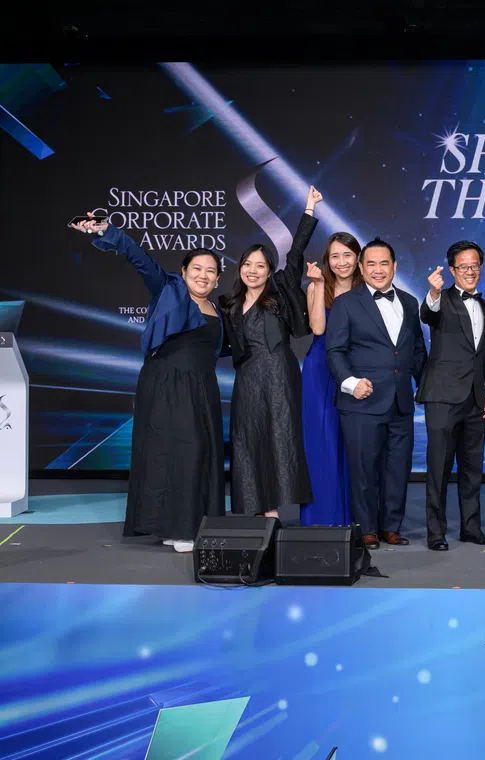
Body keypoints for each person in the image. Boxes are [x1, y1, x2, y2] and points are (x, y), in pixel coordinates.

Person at [72, 212, 224, 553]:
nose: (203, 275)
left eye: (210, 270)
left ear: (217, 279)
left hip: (202, 388)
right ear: (183, 272)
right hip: (167, 383)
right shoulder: (168, 290)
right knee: (174, 452)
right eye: (196, 268)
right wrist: (108, 231)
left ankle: (181, 525)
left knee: (197, 453)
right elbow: (140, 259)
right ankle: (181, 529)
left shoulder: (218, 309)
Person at [220, 186, 320, 518]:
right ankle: (253, 508)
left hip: (280, 374)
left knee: (280, 438)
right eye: (247, 264)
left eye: (260, 266)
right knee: (248, 440)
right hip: (247, 378)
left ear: (268, 270)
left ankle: (274, 512)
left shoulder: (279, 292)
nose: (253, 270)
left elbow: (296, 253)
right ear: (240, 268)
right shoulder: (229, 304)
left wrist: (309, 210)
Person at [325, 238, 426, 550]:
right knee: (364, 469)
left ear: (394, 267)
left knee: (398, 469)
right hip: (362, 401)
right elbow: (334, 351)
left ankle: (391, 527)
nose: (378, 269)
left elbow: (417, 349)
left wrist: (425, 387)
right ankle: (367, 529)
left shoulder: (410, 302)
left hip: (401, 401)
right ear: (361, 267)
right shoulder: (346, 303)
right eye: (371, 263)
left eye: (384, 263)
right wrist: (350, 382)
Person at [418, 241, 485, 551]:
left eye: (474, 266)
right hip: (442, 397)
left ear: (481, 268)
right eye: (463, 266)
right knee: (438, 468)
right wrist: (433, 292)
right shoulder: (442, 300)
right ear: (452, 270)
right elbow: (428, 314)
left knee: (472, 468)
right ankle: (436, 533)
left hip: (476, 400)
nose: (469, 271)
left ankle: (471, 528)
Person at [300, 231, 363, 526]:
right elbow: (317, 329)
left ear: (358, 257)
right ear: (327, 260)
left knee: (351, 443)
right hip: (320, 370)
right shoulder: (317, 286)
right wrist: (318, 284)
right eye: (335, 256)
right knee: (321, 441)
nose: (342, 262)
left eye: (347, 255)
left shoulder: (367, 288)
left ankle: (354, 518)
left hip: (356, 369)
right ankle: (320, 518)